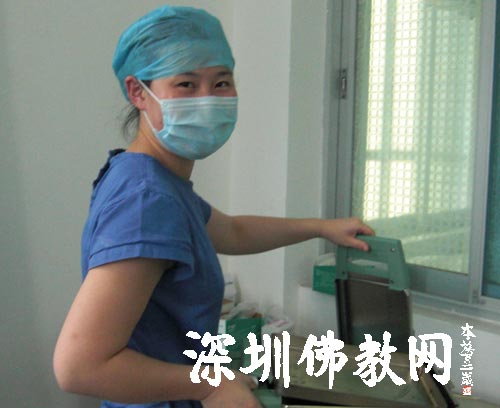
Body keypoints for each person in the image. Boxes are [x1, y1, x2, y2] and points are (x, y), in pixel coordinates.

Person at [53, 5, 374, 408]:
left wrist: (321, 227)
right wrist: (210, 384)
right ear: (138, 93)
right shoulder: (146, 198)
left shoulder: (150, 180)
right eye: (186, 84)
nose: (207, 100)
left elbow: (233, 232)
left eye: (221, 82)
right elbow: (79, 366)